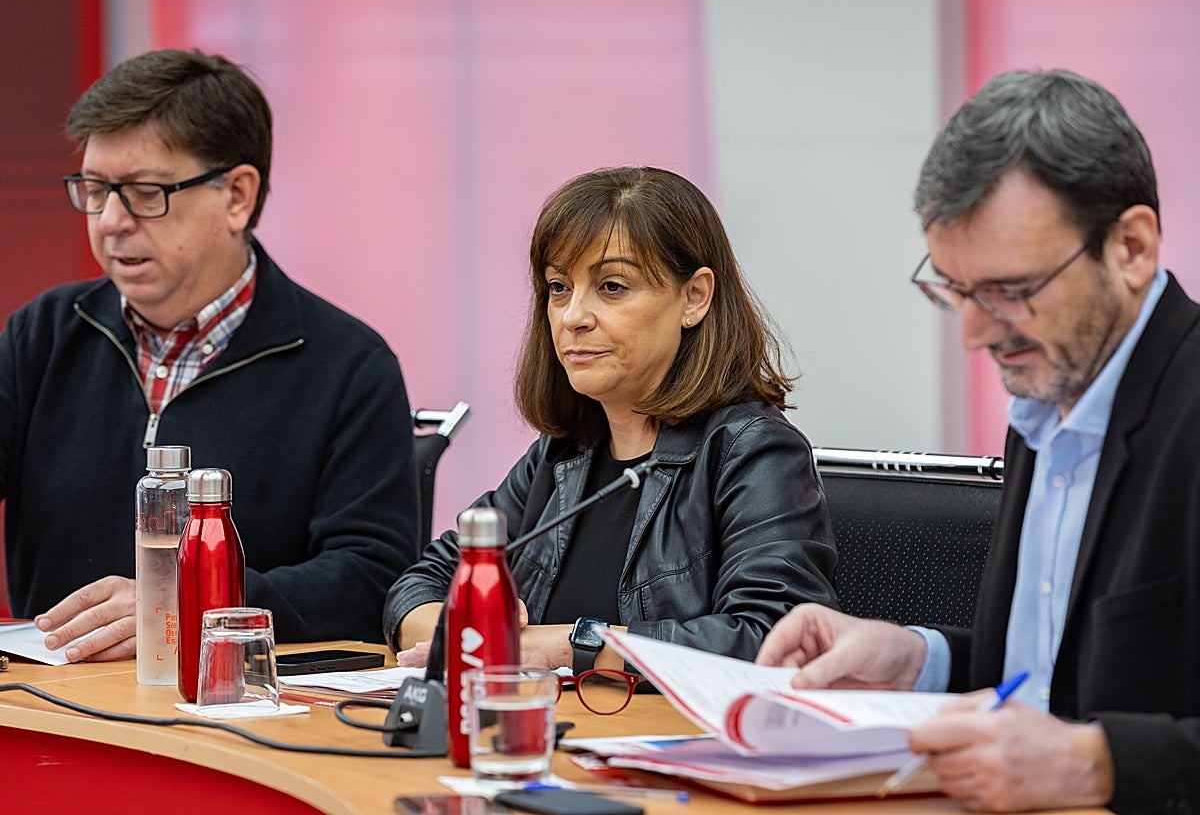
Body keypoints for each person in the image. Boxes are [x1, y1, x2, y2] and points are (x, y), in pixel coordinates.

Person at [757, 69, 1200, 813]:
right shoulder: (1050, 400)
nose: (974, 333)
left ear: (1130, 246)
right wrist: (919, 661)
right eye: (955, 291)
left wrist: (1099, 764)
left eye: (1008, 290)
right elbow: (1052, 680)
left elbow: (1085, 734)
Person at [0, 49, 419, 659]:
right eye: (95, 190)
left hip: (241, 711)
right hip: (57, 707)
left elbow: (371, 579)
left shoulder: (348, 366)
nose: (111, 221)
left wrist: (196, 600)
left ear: (237, 197)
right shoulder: (43, 334)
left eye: (144, 193)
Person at [384, 166, 837, 672]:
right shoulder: (564, 454)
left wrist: (565, 647)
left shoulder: (754, 450)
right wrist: (459, 627)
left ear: (694, 298)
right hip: (546, 735)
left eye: (613, 286)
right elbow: (423, 581)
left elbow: (774, 637)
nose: (573, 315)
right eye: (558, 287)